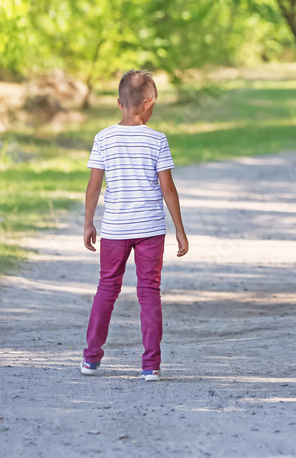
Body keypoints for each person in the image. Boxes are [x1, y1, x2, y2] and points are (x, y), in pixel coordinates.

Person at [80, 70, 189, 381]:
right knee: (149, 292)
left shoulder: (103, 138)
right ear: (149, 102)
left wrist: (89, 223)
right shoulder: (157, 139)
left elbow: (93, 185)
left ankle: (91, 359)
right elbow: (168, 188)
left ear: (119, 103)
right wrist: (179, 229)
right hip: (150, 230)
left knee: (106, 289)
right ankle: (150, 366)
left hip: (114, 229)